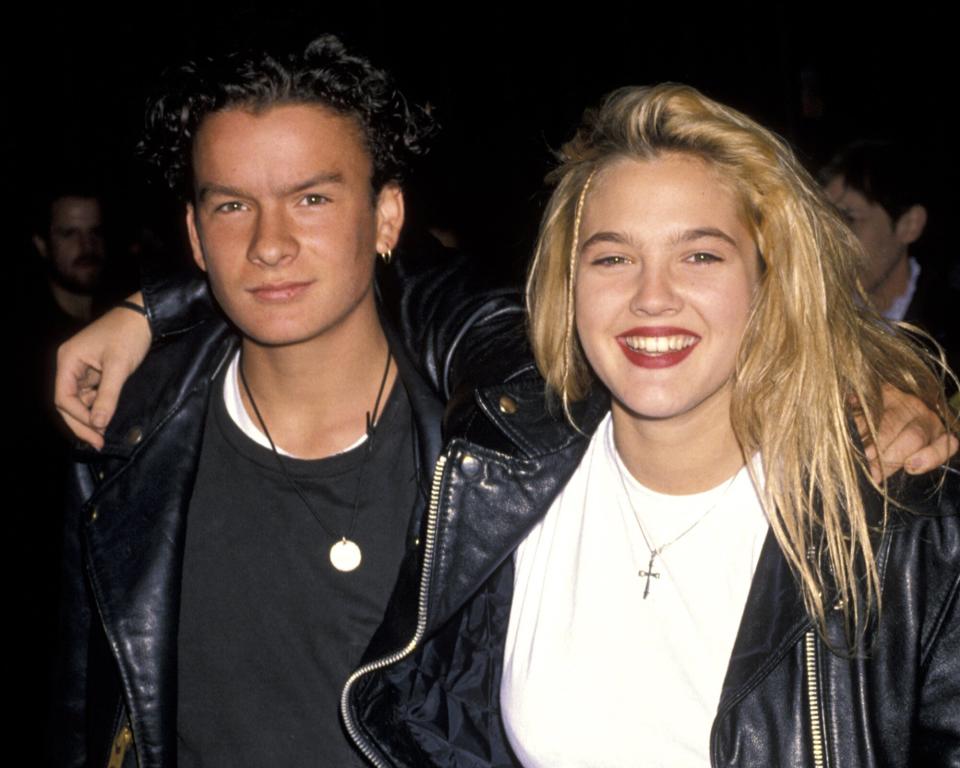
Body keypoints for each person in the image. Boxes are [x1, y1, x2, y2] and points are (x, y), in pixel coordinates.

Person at [56, 85, 958, 766]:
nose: (652, 296)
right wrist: (158, 304)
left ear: (771, 278)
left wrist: (872, 384)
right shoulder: (508, 475)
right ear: (567, 283)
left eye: (700, 253)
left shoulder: (897, 518)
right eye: (613, 256)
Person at [49, 35, 512, 768]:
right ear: (196, 237)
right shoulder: (127, 434)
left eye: (312, 199)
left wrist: (156, 306)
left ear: (388, 218)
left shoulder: (487, 454)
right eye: (233, 205)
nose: (269, 243)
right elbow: (84, 716)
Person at [821, 140, 959, 390]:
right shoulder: (811, 316)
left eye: (849, 219)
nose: (829, 241)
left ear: (909, 225)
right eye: (824, 222)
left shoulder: (949, 334)